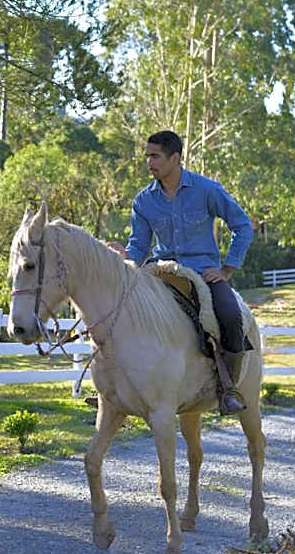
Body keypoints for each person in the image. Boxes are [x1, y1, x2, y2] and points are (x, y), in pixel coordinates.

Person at [107, 130, 254, 415]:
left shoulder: (207, 190)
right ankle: (115, 389)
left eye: (155, 156)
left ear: (175, 158)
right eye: (147, 156)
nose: (149, 162)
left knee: (230, 315)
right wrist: (124, 256)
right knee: (119, 311)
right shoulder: (144, 201)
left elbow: (242, 226)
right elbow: (138, 247)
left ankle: (227, 389)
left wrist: (227, 269)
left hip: (203, 273)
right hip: (161, 272)